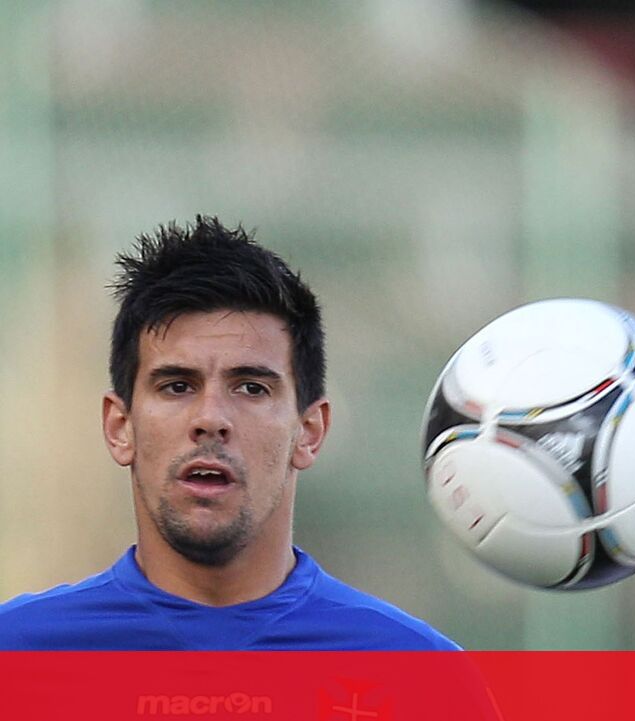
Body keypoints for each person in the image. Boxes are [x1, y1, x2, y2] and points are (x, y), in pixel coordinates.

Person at [0, 216, 459, 650]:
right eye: (177, 386)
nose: (211, 418)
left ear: (309, 432)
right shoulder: (18, 655)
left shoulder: (417, 671)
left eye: (251, 388)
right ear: (120, 428)